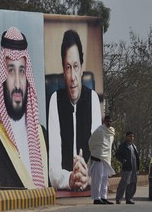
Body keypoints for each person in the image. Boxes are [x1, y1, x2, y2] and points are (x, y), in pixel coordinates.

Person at [0, 27, 48, 189]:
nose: (18, 84)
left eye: (22, 71)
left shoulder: (42, 135)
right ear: (3, 79)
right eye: (11, 71)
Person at [48, 29, 102, 190]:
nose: (72, 76)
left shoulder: (92, 98)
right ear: (63, 71)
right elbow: (53, 169)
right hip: (64, 194)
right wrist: (70, 178)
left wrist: (87, 177)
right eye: (68, 67)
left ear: (82, 68)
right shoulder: (55, 101)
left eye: (76, 66)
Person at [88, 115, 116, 204]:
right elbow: (91, 143)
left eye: (111, 121)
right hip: (98, 157)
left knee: (104, 179)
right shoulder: (99, 131)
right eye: (108, 121)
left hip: (106, 158)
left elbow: (108, 145)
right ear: (104, 121)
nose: (109, 123)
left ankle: (103, 197)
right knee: (97, 179)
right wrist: (96, 152)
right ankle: (96, 198)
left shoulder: (111, 131)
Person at [115, 131, 140, 204]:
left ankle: (129, 198)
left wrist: (138, 167)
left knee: (133, 183)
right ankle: (118, 198)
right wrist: (123, 160)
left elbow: (136, 157)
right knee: (124, 183)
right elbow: (117, 155)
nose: (131, 138)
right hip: (127, 168)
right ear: (126, 137)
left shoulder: (134, 146)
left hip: (134, 168)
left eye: (132, 136)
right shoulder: (123, 146)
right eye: (130, 136)